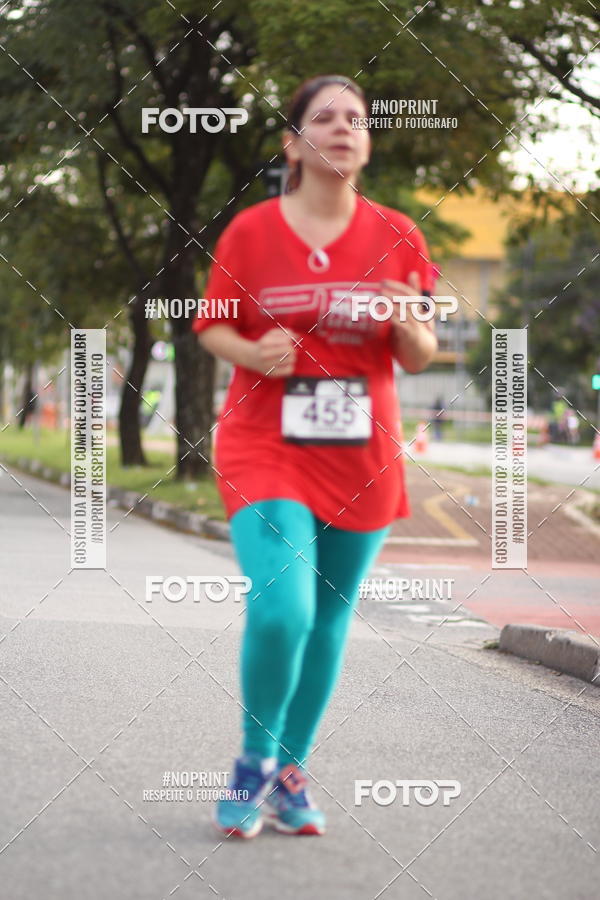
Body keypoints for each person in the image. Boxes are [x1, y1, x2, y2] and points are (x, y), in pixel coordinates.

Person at [193, 74, 438, 838]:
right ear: (292, 143)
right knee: (283, 611)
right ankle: (252, 763)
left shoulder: (399, 234)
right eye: (323, 118)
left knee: (329, 621)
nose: (342, 127)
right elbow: (212, 326)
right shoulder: (252, 233)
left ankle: (290, 776)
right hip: (266, 441)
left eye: (355, 119)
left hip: (361, 447)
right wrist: (253, 350)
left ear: (366, 142)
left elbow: (424, 351)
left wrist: (406, 329)